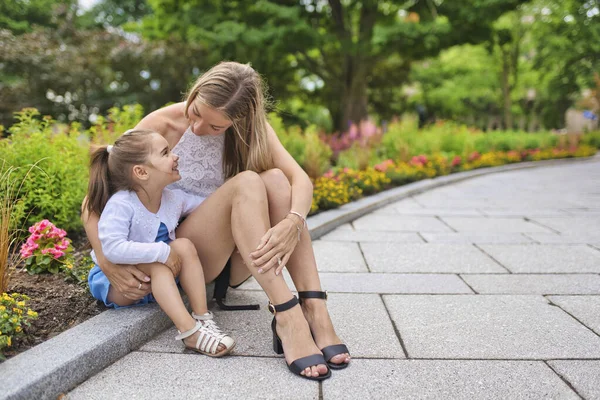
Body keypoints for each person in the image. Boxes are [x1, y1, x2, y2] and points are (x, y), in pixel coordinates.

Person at [83, 61, 350, 380]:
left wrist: (293, 222)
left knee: (278, 181)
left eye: (215, 127)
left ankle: (314, 307)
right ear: (193, 93)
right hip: (183, 256)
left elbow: (301, 180)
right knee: (248, 182)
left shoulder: (253, 131)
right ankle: (287, 315)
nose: (197, 128)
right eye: (195, 113)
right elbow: (94, 202)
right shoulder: (160, 127)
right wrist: (105, 257)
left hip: (237, 256)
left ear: (240, 120)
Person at [85, 129, 235, 357]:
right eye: (165, 153)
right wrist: (162, 251)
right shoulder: (122, 203)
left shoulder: (173, 198)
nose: (175, 156)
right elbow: (112, 249)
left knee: (183, 246)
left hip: (156, 278)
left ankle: (202, 318)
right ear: (141, 172)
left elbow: (210, 207)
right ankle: (190, 333)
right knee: (158, 264)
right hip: (119, 282)